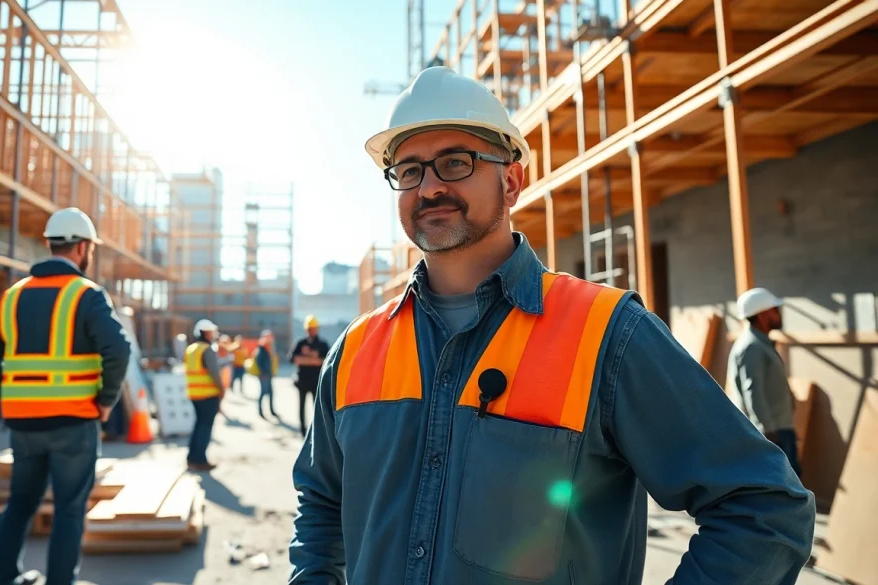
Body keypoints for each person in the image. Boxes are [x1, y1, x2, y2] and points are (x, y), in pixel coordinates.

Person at [288, 66, 815, 585]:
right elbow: (322, 502)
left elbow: (764, 507)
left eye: (454, 162)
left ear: (511, 181)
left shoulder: (608, 334)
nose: (428, 188)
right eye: (409, 171)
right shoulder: (356, 349)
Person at [0, 207, 131, 585]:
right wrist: (106, 400)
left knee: (20, 504)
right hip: (74, 421)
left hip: (24, 425)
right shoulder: (87, 294)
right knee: (69, 511)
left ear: (49, 244)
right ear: (83, 248)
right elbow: (118, 350)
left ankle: (1, 579)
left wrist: (12, 394)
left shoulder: (13, 295)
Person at [728, 287, 802, 476]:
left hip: (778, 430)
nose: (778, 314)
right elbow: (753, 391)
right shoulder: (752, 347)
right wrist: (767, 431)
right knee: (782, 486)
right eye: (774, 310)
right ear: (761, 315)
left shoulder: (760, 344)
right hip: (772, 434)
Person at [184, 319, 226, 471]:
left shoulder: (191, 349)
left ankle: (191, 457)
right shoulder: (207, 349)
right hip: (207, 394)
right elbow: (215, 373)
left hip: (194, 394)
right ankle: (200, 460)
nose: (213, 334)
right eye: (211, 332)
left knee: (198, 425)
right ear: (205, 333)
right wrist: (222, 390)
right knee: (205, 427)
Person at [288, 315, 330, 437]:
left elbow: (327, 361)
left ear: (317, 329)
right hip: (302, 381)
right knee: (301, 406)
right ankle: (303, 430)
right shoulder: (300, 343)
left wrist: (308, 357)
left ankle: (316, 431)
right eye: (309, 329)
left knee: (316, 408)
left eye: (313, 328)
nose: (311, 331)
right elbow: (291, 358)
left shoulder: (322, 344)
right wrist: (312, 359)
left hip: (316, 382)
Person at [253, 330, 278, 420]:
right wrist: (263, 373)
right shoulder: (261, 348)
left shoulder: (269, 348)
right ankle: (260, 411)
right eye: (268, 337)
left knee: (270, 393)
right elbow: (259, 362)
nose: (270, 339)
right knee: (263, 393)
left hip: (268, 373)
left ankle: (271, 410)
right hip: (264, 375)